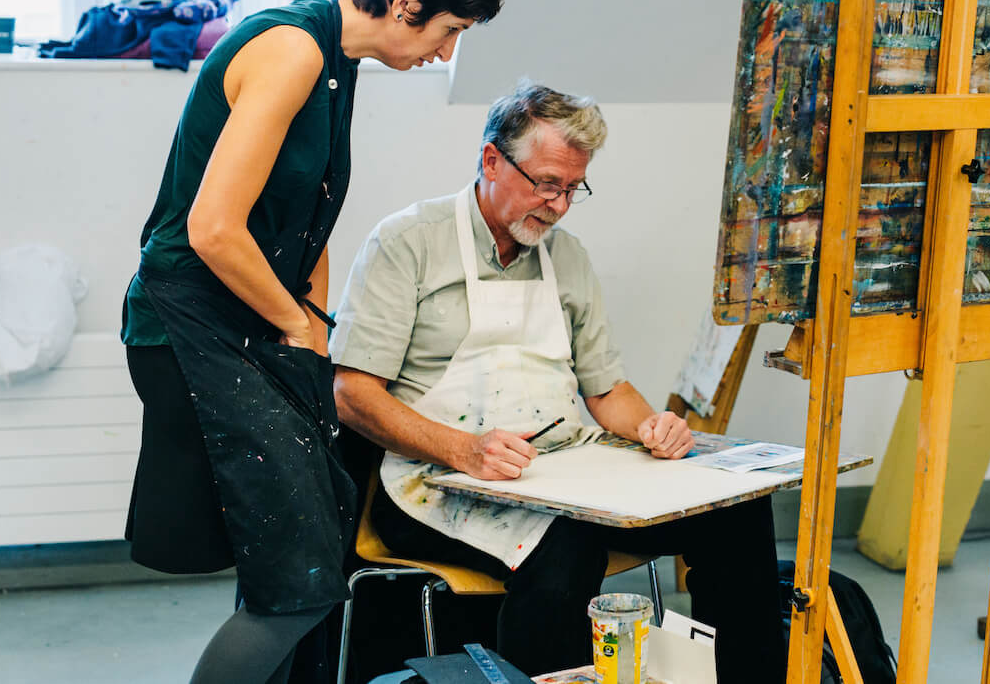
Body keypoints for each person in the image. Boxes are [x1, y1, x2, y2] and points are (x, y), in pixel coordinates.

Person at [120, 0, 504, 684]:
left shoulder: (339, 63)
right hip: (188, 322)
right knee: (295, 586)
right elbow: (215, 228)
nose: (446, 49)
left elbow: (311, 215)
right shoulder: (292, 49)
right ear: (406, 4)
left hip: (252, 321)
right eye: (449, 29)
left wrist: (316, 322)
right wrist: (297, 323)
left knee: (314, 548)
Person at [330, 82, 786, 681]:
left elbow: (606, 392)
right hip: (434, 479)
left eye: (574, 189)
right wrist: (464, 448)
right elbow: (353, 396)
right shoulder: (407, 242)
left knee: (736, 511)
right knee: (567, 550)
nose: (559, 205)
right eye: (547, 184)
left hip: (562, 468)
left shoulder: (565, 256)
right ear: (492, 159)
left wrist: (653, 425)